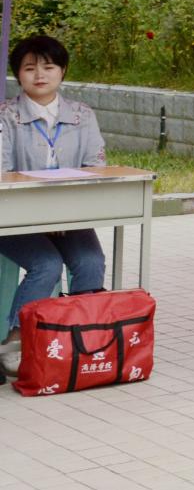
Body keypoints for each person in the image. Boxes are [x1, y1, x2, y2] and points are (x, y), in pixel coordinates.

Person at [0, 35, 108, 377]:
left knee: (91, 261)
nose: (39, 75)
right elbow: (2, 173)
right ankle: (16, 341)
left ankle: (85, 337)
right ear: (18, 74)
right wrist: (41, 216)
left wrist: (62, 214)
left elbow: (95, 166)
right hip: (12, 217)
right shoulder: (5, 115)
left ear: (62, 71)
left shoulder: (82, 114)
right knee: (46, 263)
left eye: (48, 66)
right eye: (29, 68)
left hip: (68, 216)